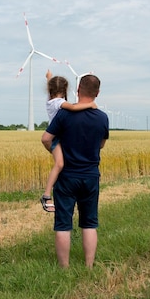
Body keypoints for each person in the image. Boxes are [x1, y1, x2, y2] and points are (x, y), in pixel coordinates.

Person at [41, 74, 109, 268]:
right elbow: (101, 144)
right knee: (89, 223)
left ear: (78, 90)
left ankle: (64, 269)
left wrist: (55, 152)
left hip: (67, 176)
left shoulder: (64, 114)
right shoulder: (102, 118)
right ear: (97, 93)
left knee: (63, 224)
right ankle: (88, 267)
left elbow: (46, 138)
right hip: (90, 176)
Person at [40, 70, 97, 212]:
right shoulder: (59, 103)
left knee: (61, 163)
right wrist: (90, 105)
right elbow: (72, 107)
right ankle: (46, 195)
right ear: (65, 89)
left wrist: (49, 78)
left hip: (56, 137)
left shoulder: (50, 100)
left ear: (50, 89)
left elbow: (51, 87)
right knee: (59, 164)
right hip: (56, 138)